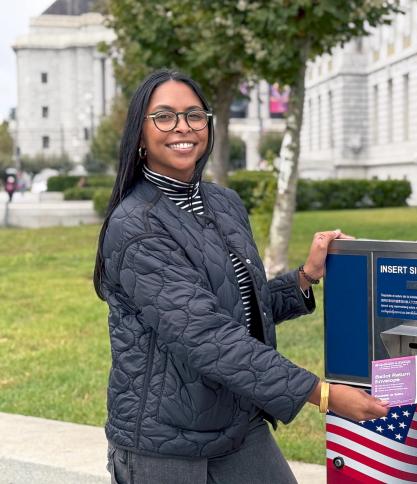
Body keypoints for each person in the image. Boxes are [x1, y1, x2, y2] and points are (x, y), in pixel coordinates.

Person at [92, 69, 388, 484]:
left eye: (194, 115)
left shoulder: (223, 203)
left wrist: (304, 277)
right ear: (140, 135)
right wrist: (321, 394)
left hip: (237, 421)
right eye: (164, 116)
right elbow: (206, 335)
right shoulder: (135, 226)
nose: (183, 127)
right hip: (164, 443)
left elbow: (236, 308)